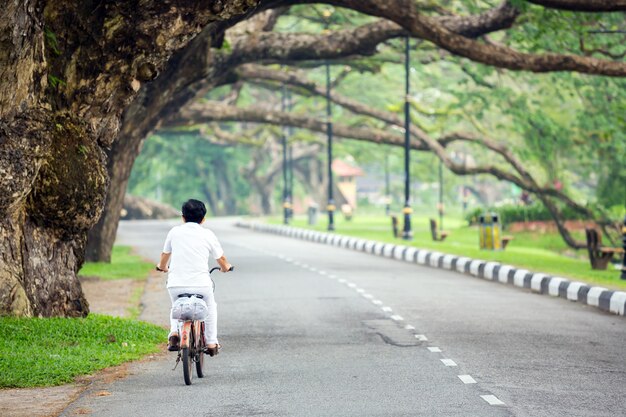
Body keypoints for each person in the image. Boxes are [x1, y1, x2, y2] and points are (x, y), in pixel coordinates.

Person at [156, 199, 232, 356]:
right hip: (201, 285)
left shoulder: (174, 232)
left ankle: (174, 333)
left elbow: (165, 256)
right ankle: (211, 342)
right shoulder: (207, 234)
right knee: (210, 307)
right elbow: (222, 260)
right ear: (203, 219)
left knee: (176, 305)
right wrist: (226, 268)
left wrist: (163, 267)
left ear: (183, 217)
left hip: (176, 284)